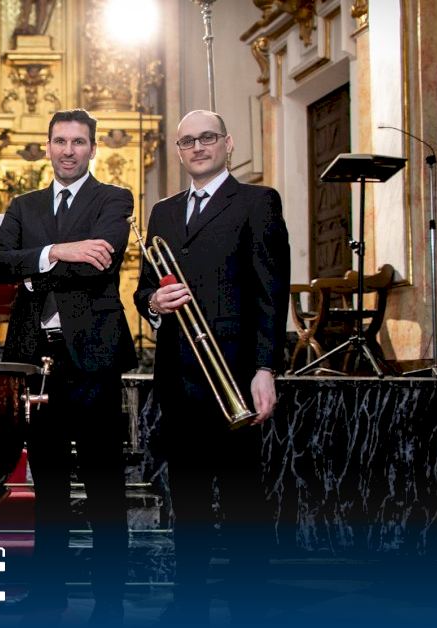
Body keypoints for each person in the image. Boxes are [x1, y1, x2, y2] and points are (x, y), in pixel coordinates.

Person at [133, 110, 289, 626]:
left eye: (207, 138)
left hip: (235, 374)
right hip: (178, 375)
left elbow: (271, 292)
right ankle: (190, 602)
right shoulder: (163, 213)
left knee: (244, 498)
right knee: (189, 500)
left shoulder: (257, 202)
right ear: (178, 150)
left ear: (228, 143)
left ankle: (250, 605)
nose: (197, 147)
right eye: (187, 141)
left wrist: (265, 367)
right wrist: (153, 301)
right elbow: (144, 288)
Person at [0, 108, 136, 625]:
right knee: (48, 488)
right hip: (36, 361)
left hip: (93, 358)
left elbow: (103, 259)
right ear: (48, 146)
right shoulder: (23, 205)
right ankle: (48, 594)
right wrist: (61, 250)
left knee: (104, 487)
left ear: (93, 148)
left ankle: (109, 602)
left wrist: (36, 265)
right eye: (60, 141)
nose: (68, 150)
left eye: (78, 142)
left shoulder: (113, 198)